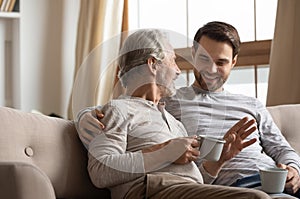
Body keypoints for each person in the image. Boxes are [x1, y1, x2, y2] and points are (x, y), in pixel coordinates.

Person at [76, 29, 271, 199]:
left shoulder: (174, 122)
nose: (178, 71)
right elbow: (100, 172)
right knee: (257, 198)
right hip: (149, 189)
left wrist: (219, 161)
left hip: (182, 189)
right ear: (153, 64)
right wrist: (165, 152)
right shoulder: (119, 109)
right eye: (173, 61)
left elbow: (193, 183)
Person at [163, 21, 300, 197]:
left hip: (277, 182)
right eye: (204, 59)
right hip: (239, 188)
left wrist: (293, 170)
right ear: (193, 53)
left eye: (221, 62)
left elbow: (282, 149)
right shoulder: (171, 103)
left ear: (233, 62)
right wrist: (219, 159)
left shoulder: (251, 104)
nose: (211, 70)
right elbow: (175, 170)